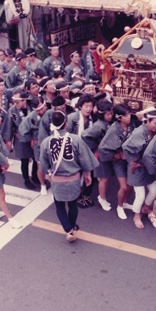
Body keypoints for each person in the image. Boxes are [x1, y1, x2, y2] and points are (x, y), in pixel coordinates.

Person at [40, 111, 99, 242]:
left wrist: (48, 173)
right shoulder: (76, 139)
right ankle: (71, 227)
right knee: (73, 204)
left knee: (59, 205)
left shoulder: (46, 142)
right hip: (73, 179)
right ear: (66, 123)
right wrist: (88, 174)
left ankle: (68, 229)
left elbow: (43, 166)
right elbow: (85, 160)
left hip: (57, 180)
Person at [123, 108, 156, 229]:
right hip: (137, 167)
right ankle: (136, 215)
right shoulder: (139, 132)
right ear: (148, 121)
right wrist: (134, 161)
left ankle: (146, 207)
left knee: (155, 189)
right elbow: (126, 147)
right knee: (140, 194)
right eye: (155, 123)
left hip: (148, 166)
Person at [98, 104, 133, 219]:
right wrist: (117, 155)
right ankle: (120, 206)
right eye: (126, 116)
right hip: (118, 161)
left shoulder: (131, 125)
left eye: (129, 114)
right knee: (123, 186)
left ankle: (125, 201)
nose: (129, 117)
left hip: (128, 159)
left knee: (130, 185)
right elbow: (103, 148)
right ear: (119, 118)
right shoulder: (113, 130)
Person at [82, 100, 114, 211]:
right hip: (98, 154)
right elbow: (85, 136)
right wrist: (96, 146)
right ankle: (97, 198)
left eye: (111, 113)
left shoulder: (106, 123)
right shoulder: (99, 125)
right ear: (102, 114)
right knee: (100, 178)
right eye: (108, 114)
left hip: (103, 153)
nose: (110, 116)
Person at [67, 94, 95, 207]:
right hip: (74, 150)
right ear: (80, 107)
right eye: (86, 106)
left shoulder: (93, 118)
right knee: (75, 174)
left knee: (89, 174)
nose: (89, 109)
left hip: (88, 150)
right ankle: (75, 196)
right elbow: (66, 134)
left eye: (91, 106)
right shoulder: (72, 118)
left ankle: (85, 195)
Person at [18, 96, 49, 191]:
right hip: (38, 144)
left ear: (45, 104)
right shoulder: (31, 117)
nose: (40, 111)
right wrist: (30, 138)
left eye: (41, 108)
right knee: (39, 164)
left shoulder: (50, 113)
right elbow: (22, 129)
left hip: (51, 142)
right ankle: (41, 184)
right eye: (37, 110)